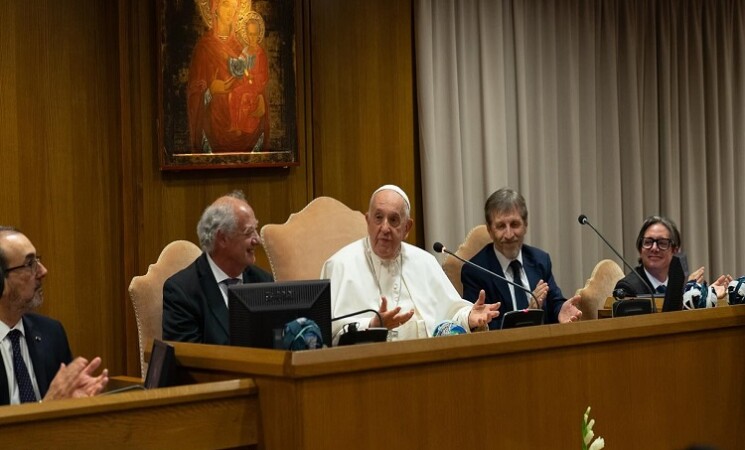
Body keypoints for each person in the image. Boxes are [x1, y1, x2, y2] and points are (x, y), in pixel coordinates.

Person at [321, 185, 500, 343]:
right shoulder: (339, 265)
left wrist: (468, 316)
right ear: (368, 221)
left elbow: (449, 317)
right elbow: (328, 334)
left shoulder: (424, 262)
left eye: (393, 220)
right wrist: (372, 325)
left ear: (407, 227)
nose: (385, 228)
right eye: (378, 217)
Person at [0, 227, 108, 405]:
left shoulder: (51, 332)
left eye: (37, 261)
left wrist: (73, 402)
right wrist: (47, 406)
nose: (43, 271)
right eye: (30, 264)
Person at [461, 188, 582, 329]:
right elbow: (480, 327)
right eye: (500, 226)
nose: (509, 234)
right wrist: (528, 313)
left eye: (514, 224)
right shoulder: (475, 271)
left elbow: (554, 302)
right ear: (489, 230)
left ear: (525, 225)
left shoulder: (540, 260)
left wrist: (561, 309)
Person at [162, 191, 273, 344]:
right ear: (222, 238)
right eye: (249, 232)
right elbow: (187, 359)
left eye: (256, 229)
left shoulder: (264, 282)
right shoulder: (182, 292)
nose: (257, 240)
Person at [187, 0, 268, 153]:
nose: (231, 10)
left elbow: (253, 80)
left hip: (246, 126)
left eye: (234, 4)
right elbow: (193, 96)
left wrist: (260, 100)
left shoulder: (242, 48)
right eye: (225, 3)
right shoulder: (204, 49)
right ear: (214, 7)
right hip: (213, 129)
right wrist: (210, 91)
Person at [613, 215, 731, 298]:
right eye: (648, 242)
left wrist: (707, 295)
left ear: (675, 250)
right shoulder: (627, 288)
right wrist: (685, 292)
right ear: (640, 248)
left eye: (662, 243)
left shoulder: (676, 281)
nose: (654, 248)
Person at [228, 12, 270, 146]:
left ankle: (242, 127)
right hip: (246, 84)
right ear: (246, 34)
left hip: (255, 88)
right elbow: (239, 68)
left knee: (245, 97)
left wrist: (254, 77)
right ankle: (235, 125)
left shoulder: (260, 53)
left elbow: (264, 76)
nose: (252, 38)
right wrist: (238, 68)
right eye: (249, 34)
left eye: (254, 35)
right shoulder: (245, 51)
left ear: (258, 35)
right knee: (233, 94)